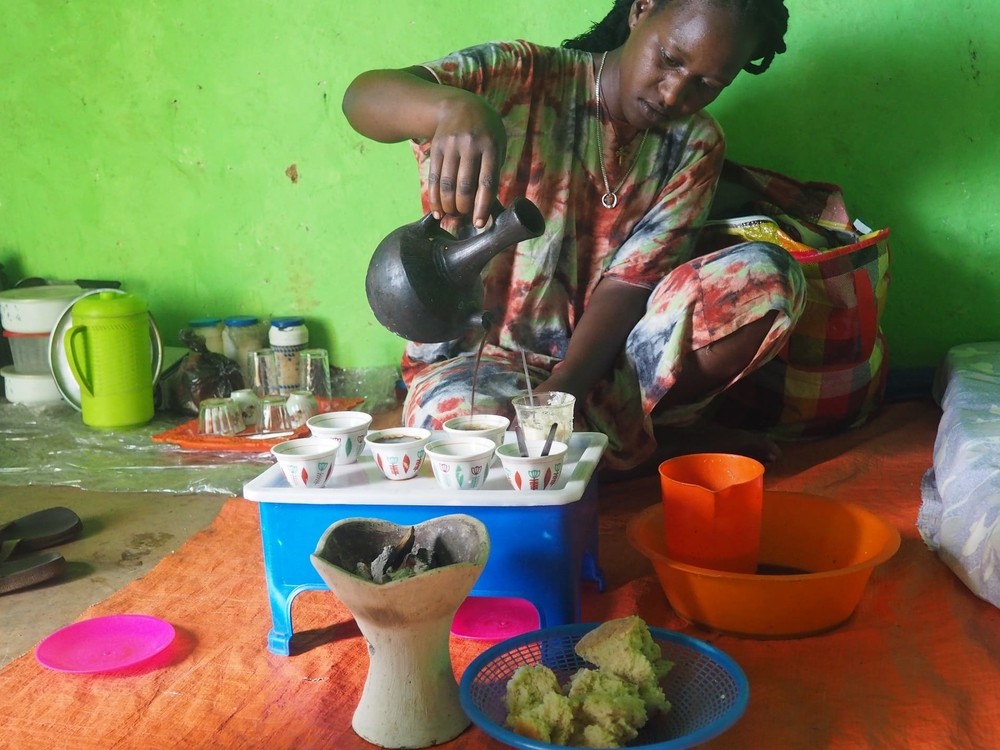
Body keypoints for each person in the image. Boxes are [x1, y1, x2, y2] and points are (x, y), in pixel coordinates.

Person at [342, 0, 806, 474]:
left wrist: (565, 388)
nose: (673, 94)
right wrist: (451, 108)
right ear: (641, 9)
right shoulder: (519, 75)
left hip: (606, 366)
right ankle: (632, 444)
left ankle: (610, 441)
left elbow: (630, 284)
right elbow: (360, 97)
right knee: (460, 430)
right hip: (477, 364)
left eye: (707, 85)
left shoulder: (695, 143)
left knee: (767, 278)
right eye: (669, 59)